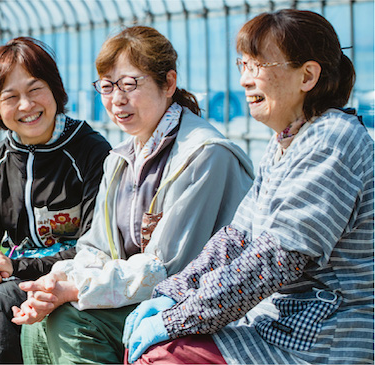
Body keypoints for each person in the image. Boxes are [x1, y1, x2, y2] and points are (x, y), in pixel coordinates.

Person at [123, 9, 374, 365]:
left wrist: (176, 316)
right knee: (152, 348)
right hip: (280, 327)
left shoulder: (334, 138)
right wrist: (170, 295)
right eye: (243, 65)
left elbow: (277, 259)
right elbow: (236, 239)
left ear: (307, 75)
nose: (245, 79)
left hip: (321, 340)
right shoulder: (287, 140)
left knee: (163, 356)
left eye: (258, 66)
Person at [7, 26, 255, 364]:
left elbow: (170, 269)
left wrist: (76, 290)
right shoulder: (121, 158)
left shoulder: (204, 156)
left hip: (195, 307)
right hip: (140, 296)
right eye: (107, 87)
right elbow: (95, 248)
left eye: (129, 84)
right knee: (36, 321)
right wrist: (58, 281)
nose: (117, 100)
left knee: (72, 320)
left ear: (168, 83)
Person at [0, 37, 111, 364]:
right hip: (14, 273)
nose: (26, 106)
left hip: (69, 276)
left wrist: (14, 266)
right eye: (10, 96)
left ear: (55, 90)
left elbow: (94, 247)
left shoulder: (91, 152)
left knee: (6, 297)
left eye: (35, 90)